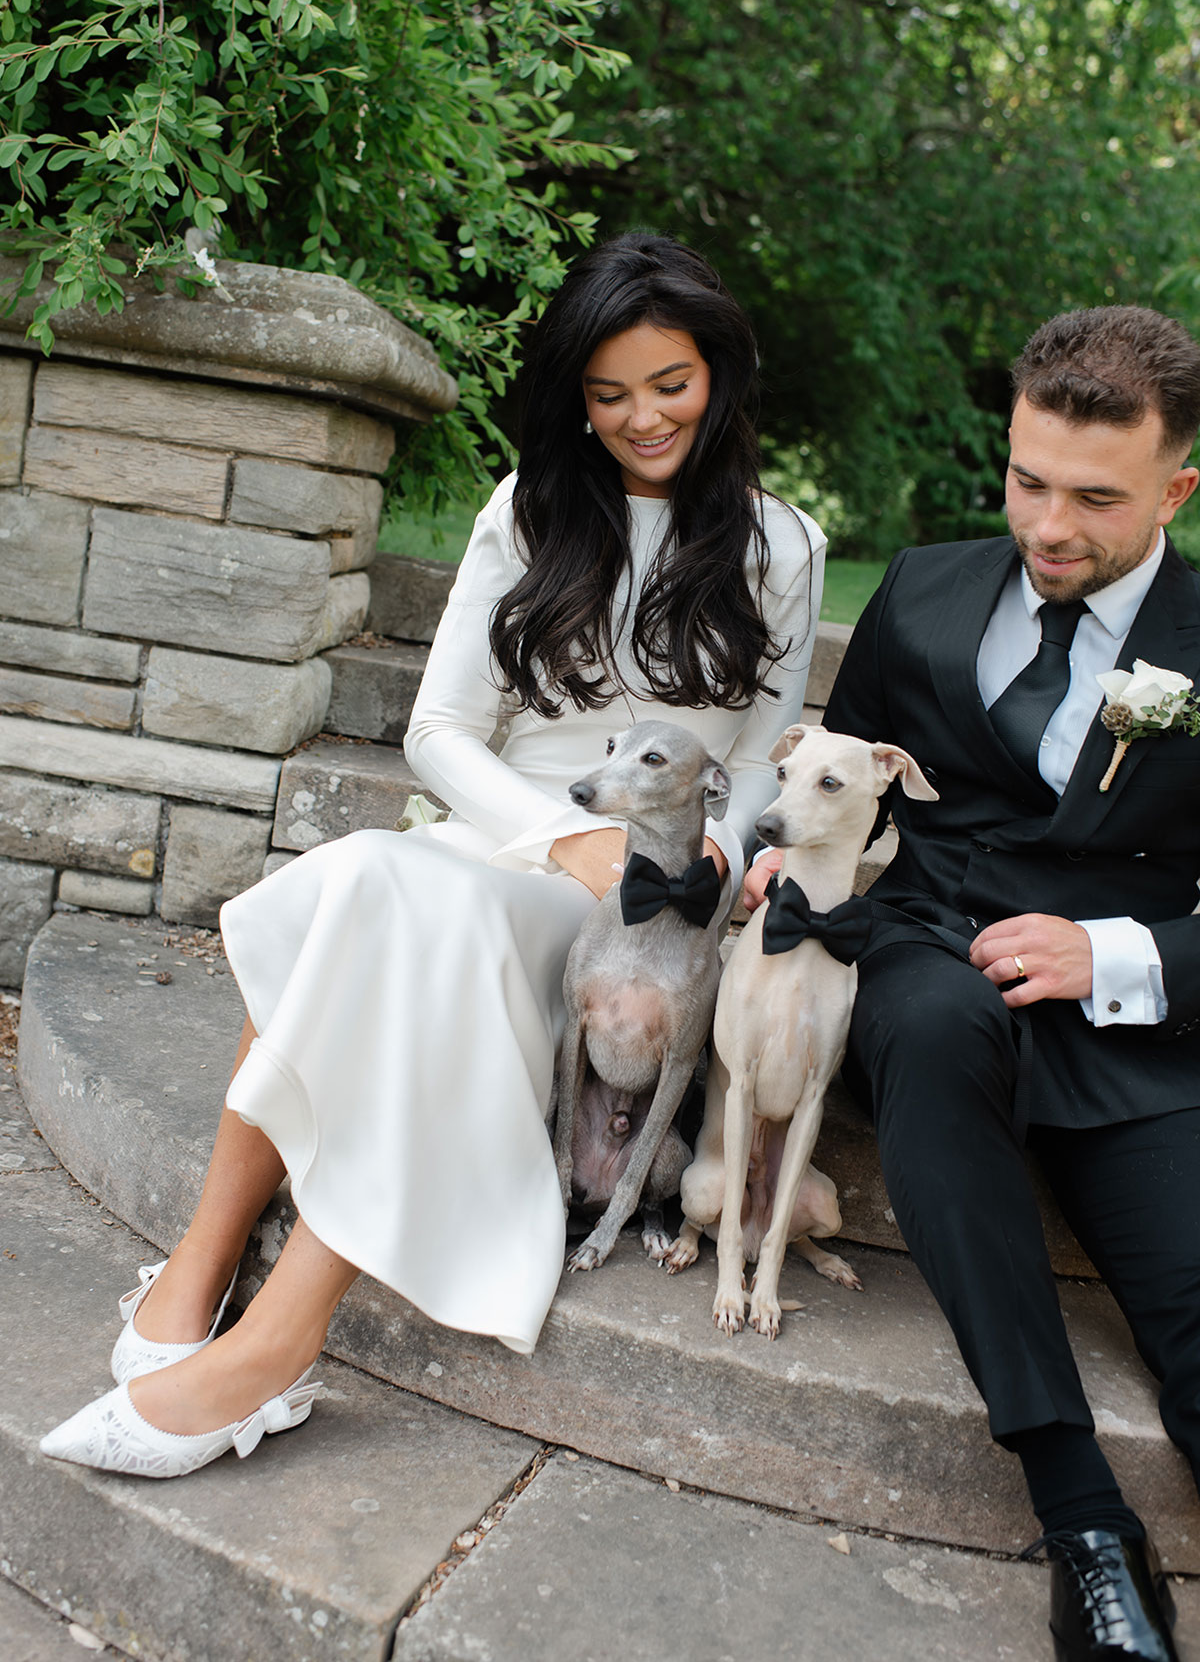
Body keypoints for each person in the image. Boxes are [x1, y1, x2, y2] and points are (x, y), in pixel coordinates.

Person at [40, 231, 825, 1479]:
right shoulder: (527, 510)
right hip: (501, 835)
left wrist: (700, 870)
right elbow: (441, 730)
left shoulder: (781, 546)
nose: (641, 418)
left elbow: (766, 761)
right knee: (368, 877)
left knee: (390, 902)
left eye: (669, 384)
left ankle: (273, 1346)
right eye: (608, 392)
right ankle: (200, 1264)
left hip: (638, 907)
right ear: (574, 394)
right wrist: (552, 834)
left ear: (720, 374)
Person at [748, 304, 1199, 1662]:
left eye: (1095, 498)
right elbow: (851, 772)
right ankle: (1085, 1525)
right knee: (931, 1024)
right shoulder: (927, 590)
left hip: (1133, 1028)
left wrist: (1114, 957)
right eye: (1027, 479)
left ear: (1179, 486)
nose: (1049, 524)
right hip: (931, 959)